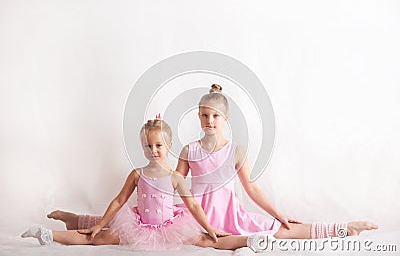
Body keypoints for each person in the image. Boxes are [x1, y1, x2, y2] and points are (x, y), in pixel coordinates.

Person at [47, 84, 378, 242]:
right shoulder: (189, 149)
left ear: (225, 119)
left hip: (227, 212)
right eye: (203, 115)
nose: (208, 120)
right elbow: (168, 185)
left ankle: (344, 228)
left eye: (214, 116)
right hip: (193, 213)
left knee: (283, 231)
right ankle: (74, 218)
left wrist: (277, 212)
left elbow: (252, 188)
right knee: (122, 222)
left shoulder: (235, 150)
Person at [22, 119, 269, 252]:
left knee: (209, 240)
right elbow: (119, 201)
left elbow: (192, 204)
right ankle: (47, 235)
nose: (153, 151)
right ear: (143, 147)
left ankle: (249, 241)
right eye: (149, 146)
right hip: (139, 226)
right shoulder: (137, 174)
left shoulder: (175, 176)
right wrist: (99, 224)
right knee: (96, 238)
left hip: (170, 226)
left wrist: (209, 227)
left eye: (159, 146)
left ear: (168, 146)